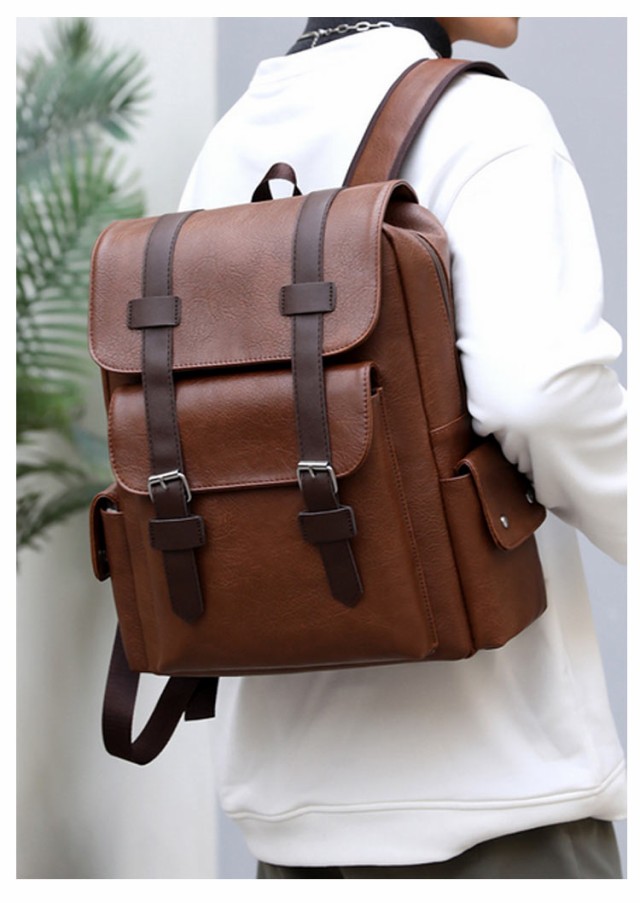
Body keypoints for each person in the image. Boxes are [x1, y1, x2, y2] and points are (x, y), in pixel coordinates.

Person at [179, 18, 627, 879]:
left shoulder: (231, 140)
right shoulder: (485, 118)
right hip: (495, 801)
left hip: (293, 823)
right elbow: (542, 390)